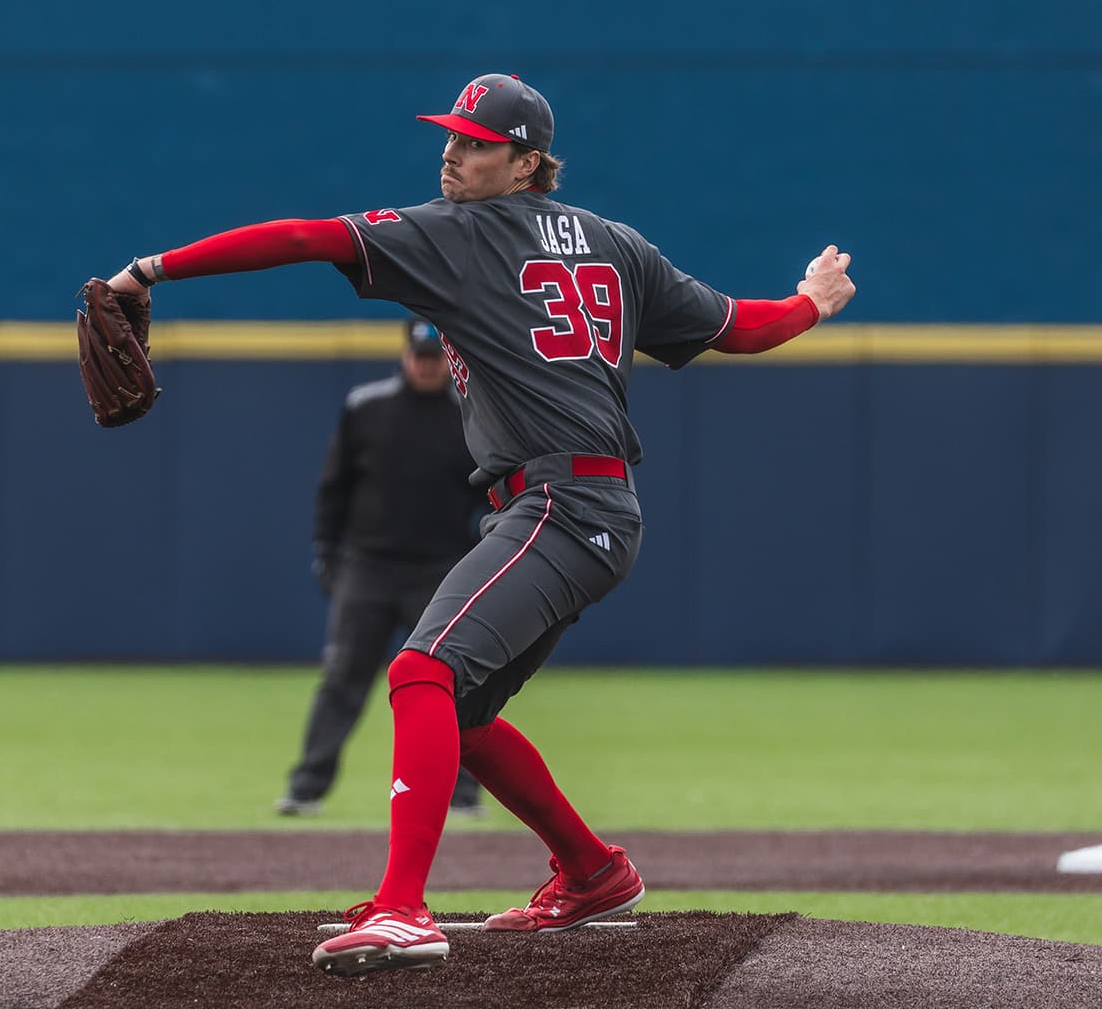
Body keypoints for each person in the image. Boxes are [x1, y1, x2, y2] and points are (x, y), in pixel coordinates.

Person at [98, 73, 856, 978]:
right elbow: (740, 328)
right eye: (450, 135)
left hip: (561, 506)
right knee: (463, 708)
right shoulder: (616, 244)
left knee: (421, 669)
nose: (452, 152)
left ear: (527, 161)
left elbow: (303, 237)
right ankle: (593, 873)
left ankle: (402, 910)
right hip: (593, 509)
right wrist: (811, 301)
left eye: (476, 141)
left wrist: (150, 269)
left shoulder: (456, 233)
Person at [279, 317, 489, 820]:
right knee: (342, 677)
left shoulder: (471, 415)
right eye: (419, 355)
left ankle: (463, 794)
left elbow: (494, 492)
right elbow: (335, 487)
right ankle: (307, 787)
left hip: (440, 570)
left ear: (449, 360)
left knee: (449, 683)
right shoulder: (367, 407)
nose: (426, 365)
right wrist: (325, 550)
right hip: (368, 566)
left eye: (436, 357)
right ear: (404, 354)